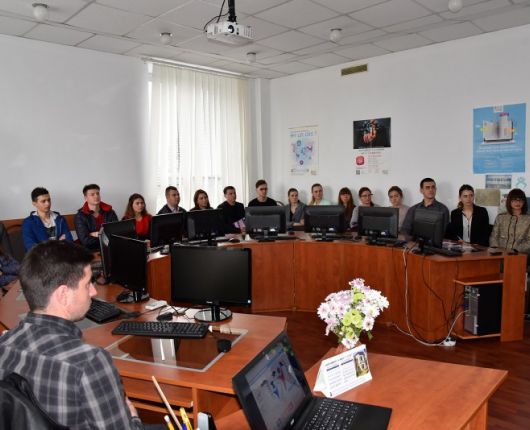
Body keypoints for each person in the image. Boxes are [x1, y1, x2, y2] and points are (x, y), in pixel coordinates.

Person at [0, 241, 145, 429]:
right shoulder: (89, 362)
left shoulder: (4, 344)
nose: (93, 292)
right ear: (63, 294)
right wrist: (134, 418)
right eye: (87, 284)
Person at [74, 184, 118, 251]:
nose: (96, 196)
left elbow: (116, 233)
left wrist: (97, 234)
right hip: (90, 250)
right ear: (85, 198)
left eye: (98, 193)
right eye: (92, 194)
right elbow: (85, 241)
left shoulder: (110, 212)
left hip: (110, 248)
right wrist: (105, 236)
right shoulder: (80, 216)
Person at [490, 188, 530, 253]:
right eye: (514, 200)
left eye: (520, 200)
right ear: (509, 201)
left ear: (524, 202)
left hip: (520, 255)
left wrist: (515, 250)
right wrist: (497, 250)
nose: (518, 202)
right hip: (500, 254)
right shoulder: (501, 217)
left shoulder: (528, 219)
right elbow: (494, 236)